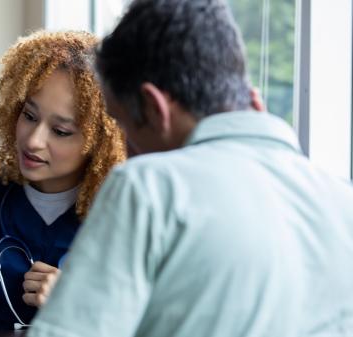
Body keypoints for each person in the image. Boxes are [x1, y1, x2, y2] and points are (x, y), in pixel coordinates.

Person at [27, 1, 353, 337]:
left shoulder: (148, 188)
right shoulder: (343, 202)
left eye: (123, 124)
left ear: (155, 108)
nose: (124, 149)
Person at [0, 30, 126, 330]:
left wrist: (75, 303)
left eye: (61, 131)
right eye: (29, 115)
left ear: (99, 142)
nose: (34, 141)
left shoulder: (121, 215)